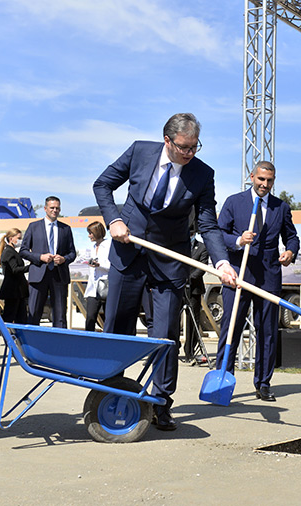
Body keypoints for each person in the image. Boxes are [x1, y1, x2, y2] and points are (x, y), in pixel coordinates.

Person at [93, 112, 238, 431]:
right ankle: (112, 393)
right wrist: (114, 219)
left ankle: (160, 402)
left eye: (194, 147)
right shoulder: (139, 152)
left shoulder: (202, 174)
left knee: (166, 334)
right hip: (128, 250)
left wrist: (222, 261)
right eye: (184, 147)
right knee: (118, 325)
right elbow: (102, 185)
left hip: (170, 259)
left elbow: (207, 223)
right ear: (167, 140)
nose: (189, 153)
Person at [215, 161, 299, 402]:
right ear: (252, 177)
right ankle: (223, 381)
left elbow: (292, 237)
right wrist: (239, 240)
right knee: (231, 329)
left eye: (269, 181)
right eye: (261, 179)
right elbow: (219, 234)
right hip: (238, 275)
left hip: (269, 278)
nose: (265, 184)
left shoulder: (280, 207)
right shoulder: (234, 202)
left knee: (268, 332)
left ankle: (263, 383)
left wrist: (290, 252)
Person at [20, 196, 76, 327]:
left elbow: (72, 253)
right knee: (34, 313)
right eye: (52, 208)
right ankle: (32, 344)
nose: (55, 210)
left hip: (59, 274)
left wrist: (64, 259)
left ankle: (60, 345)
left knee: (60, 315)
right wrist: (40, 257)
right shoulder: (33, 227)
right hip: (39, 274)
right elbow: (23, 251)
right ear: (45, 209)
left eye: (57, 208)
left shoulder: (65, 229)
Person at [0, 228, 29, 329]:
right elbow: (14, 269)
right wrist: (30, 267)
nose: (20, 241)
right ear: (10, 239)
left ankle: (21, 341)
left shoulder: (13, 251)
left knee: (21, 319)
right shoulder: (8, 252)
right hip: (12, 291)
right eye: (18, 238)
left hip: (19, 291)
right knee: (7, 318)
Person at [183, 227, 208, 363]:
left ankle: (190, 351)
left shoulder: (202, 247)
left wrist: (190, 278)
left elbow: (202, 267)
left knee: (193, 320)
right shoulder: (180, 246)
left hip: (194, 289)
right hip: (179, 288)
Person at [83, 221, 111, 332]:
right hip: (93, 288)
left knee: (108, 318)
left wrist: (99, 265)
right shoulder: (93, 247)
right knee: (90, 317)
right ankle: (87, 342)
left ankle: (108, 341)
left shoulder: (109, 245)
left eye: (91, 233)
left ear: (97, 232)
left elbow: (113, 265)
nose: (89, 235)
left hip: (106, 286)